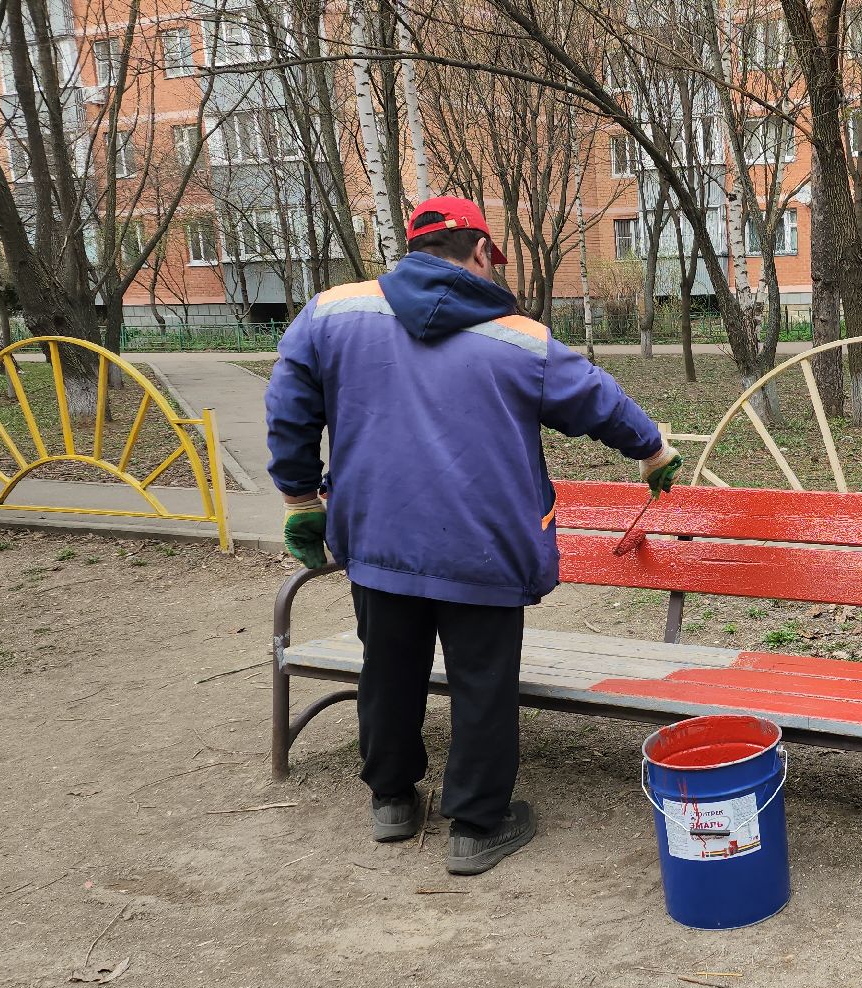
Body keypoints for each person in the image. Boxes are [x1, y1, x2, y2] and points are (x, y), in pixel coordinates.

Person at [265, 196, 680, 875]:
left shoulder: (333, 313)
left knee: (387, 669)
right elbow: (597, 399)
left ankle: (392, 801)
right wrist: (653, 450)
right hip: (484, 546)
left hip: (378, 540)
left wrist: (298, 496)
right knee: (483, 683)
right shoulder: (520, 339)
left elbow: (288, 403)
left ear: (413, 247)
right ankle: (477, 825)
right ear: (482, 251)